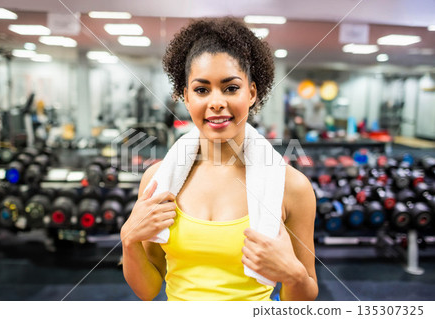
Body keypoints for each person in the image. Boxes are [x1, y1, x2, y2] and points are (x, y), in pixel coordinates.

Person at [120, 17, 318, 301]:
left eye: (230, 88)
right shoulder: (157, 182)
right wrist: (128, 240)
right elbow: (148, 289)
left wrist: (293, 275)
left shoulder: (292, 186)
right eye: (202, 90)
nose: (216, 102)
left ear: (251, 93)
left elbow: (303, 296)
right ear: (185, 97)